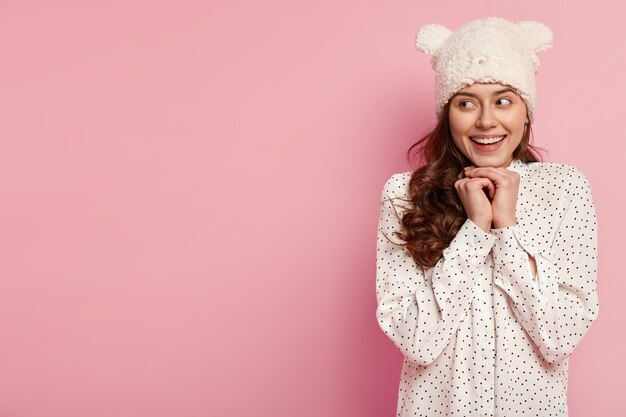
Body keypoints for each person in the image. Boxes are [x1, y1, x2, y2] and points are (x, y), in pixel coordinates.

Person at [375, 17, 599, 417]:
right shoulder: (404, 195)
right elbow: (417, 341)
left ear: (526, 112)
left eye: (503, 100)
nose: (486, 121)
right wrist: (474, 230)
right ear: (447, 114)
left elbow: (560, 337)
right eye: (466, 102)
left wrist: (506, 225)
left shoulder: (566, 190)